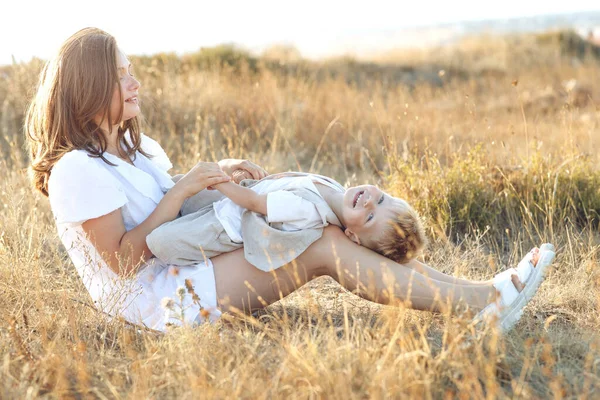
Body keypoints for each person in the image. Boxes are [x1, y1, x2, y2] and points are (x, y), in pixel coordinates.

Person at [25, 27, 555, 333]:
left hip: (183, 268)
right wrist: (186, 188)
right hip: (152, 302)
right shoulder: (77, 169)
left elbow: (175, 207)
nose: (134, 82)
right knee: (322, 244)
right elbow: (118, 264)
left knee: (323, 230)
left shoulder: (136, 150)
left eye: (130, 69)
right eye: (120, 75)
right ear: (90, 85)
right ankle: (477, 305)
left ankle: (479, 292)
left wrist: (216, 175)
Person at [146, 171, 427, 271]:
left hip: (222, 225)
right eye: (380, 200)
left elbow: (255, 203)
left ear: (353, 236)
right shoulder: (334, 188)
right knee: (171, 189)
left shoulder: (309, 210)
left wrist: (219, 181)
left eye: (369, 217)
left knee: (159, 243)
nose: (368, 202)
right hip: (229, 201)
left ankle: (178, 266)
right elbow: (286, 180)